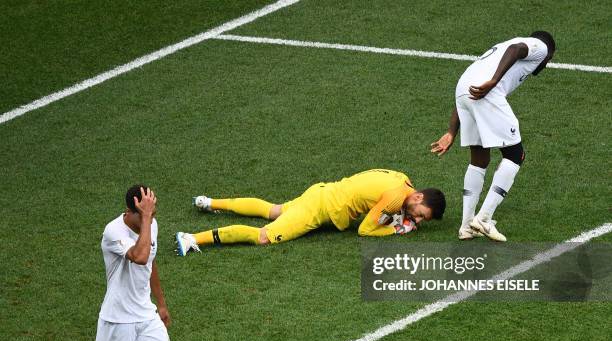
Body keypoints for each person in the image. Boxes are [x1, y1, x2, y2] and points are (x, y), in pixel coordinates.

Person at [431, 31, 555, 242]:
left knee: (479, 159)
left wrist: (452, 131)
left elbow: (468, 88)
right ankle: (484, 218)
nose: (546, 64)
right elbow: (516, 51)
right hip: (487, 91)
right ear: (549, 53)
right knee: (516, 155)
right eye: (550, 59)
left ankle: (466, 226)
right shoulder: (540, 47)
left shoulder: (499, 47)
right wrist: (494, 81)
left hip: (463, 90)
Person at [175, 169, 446, 255]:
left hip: (322, 191)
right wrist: (397, 229)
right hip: (320, 208)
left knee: (273, 210)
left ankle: (208, 202)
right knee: (264, 236)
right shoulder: (396, 197)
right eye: (421, 213)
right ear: (418, 196)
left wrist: (399, 216)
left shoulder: (402, 180)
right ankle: (193, 239)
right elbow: (366, 229)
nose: (418, 218)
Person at [95, 186, 183, 341]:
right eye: (144, 213)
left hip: (145, 314)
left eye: (153, 213)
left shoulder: (150, 224)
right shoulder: (113, 231)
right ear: (128, 211)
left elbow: (151, 263)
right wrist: (146, 219)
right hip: (118, 319)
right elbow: (140, 256)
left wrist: (161, 305)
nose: (150, 218)